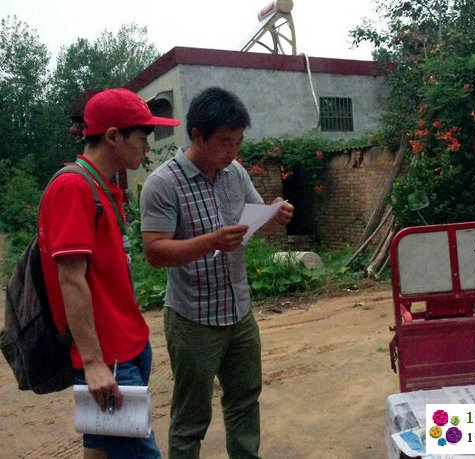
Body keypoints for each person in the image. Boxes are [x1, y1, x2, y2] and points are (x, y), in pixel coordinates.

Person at [139, 87, 294, 458]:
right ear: (196, 135)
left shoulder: (235, 173)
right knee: (191, 418)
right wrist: (210, 241)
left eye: (238, 142)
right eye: (225, 142)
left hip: (238, 313)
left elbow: (255, 225)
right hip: (193, 317)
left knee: (244, 402)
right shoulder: (163, 184)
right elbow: (155, 252)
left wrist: (274, 215)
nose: (233, 152)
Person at [38, 87, 181, 459]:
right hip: (109, 359)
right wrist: (92, 363)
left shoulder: (102, 187)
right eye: (142, 137)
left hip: (128, 347)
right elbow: (70, 278)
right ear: (114, 136)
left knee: (101, 451)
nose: (147, 148)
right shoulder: (74, 186)